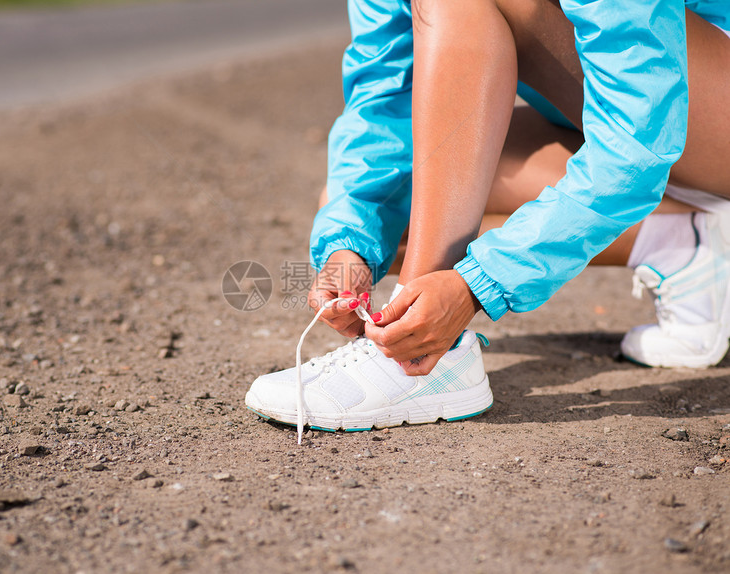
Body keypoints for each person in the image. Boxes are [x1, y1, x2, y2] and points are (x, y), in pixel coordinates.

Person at [245, 0, 730, 432]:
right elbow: (384, 89)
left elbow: (638, 144)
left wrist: (479, 284)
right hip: (646, 115)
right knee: (380, 209)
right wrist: (348, 242)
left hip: (683, 107)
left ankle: (420, 359)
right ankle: (682, 243)